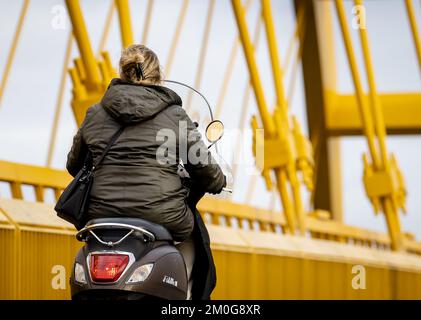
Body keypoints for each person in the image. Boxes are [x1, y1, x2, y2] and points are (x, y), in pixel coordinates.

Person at [66, 44, 226, 300]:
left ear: (122, 73)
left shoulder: (94, 113)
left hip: (101, 216)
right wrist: (218, 181)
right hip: (161, 214)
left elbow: (73, 165)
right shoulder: (175, 115)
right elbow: (207, 172)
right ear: (158, 76)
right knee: (191, 233)